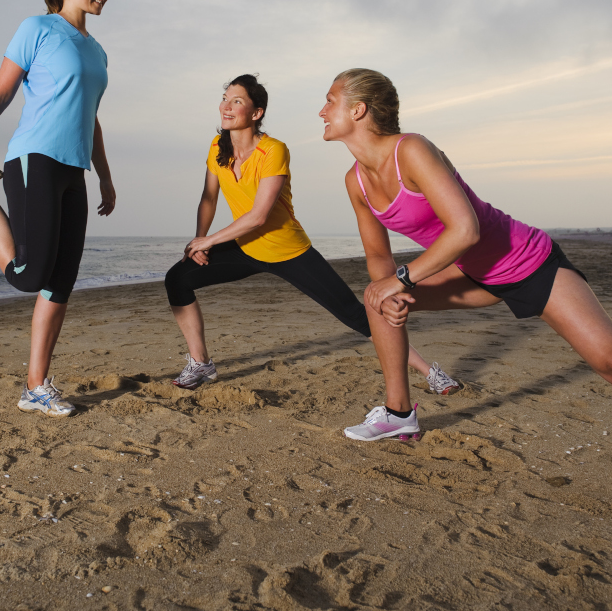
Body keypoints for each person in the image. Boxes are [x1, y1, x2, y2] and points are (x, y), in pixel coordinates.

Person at [319, 67, 612, 532]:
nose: (322, 111)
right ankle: (399, 414)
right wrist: (391, 291)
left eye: (330, 100)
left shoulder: (412, 150)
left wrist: (403, 279)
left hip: (530, 263)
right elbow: (378, 256)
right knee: (377, 299)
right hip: (473, 275)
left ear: (359, 109)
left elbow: (465, 229)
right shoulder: (356, 180)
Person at [164, 74, 458, 396]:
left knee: (355, 315)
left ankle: (430, 372)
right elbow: (209, 198)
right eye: (225, 99)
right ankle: (201, 362)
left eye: (237, 101)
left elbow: (259, 216)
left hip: (289, 251)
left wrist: (209, 240)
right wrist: (199, 242)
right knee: (177, 279)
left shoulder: (274, 150)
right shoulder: (216, 148)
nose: (226, 106)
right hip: (245, 249)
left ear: (256, 112)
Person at [0, 0, 116, 418]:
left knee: (61, 283)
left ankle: (36, 387)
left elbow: (91, 117)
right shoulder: (37, 29)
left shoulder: (97, 51)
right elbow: (1, 91)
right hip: (34, 158)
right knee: (29, 277)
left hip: (74, 168)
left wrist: (105, 176)